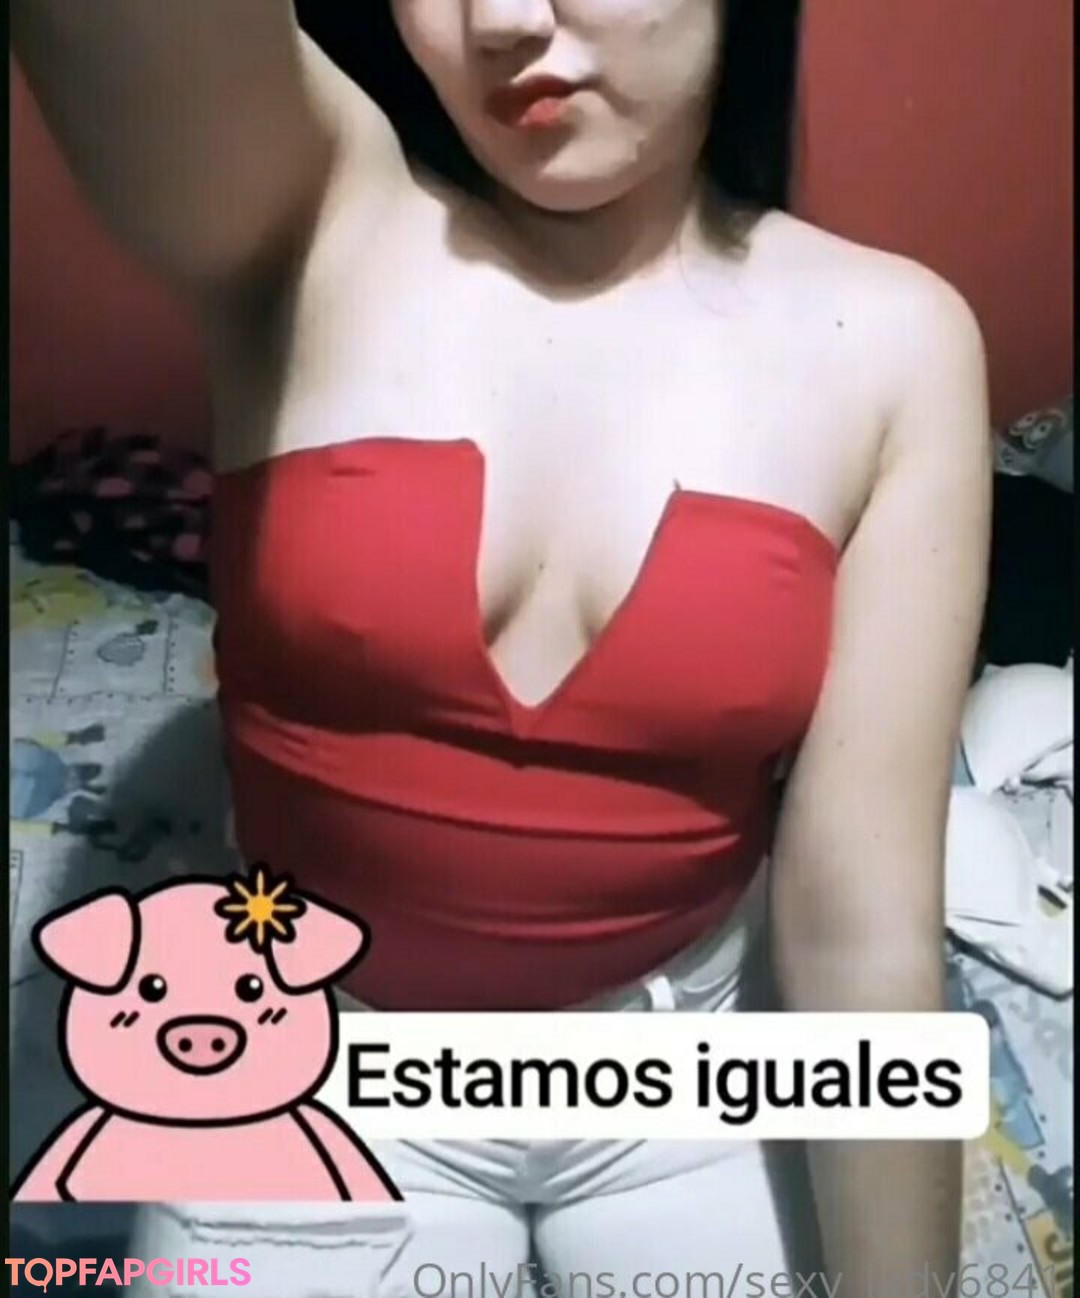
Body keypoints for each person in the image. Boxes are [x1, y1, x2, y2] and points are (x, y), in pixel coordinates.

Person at [12, 2, 992, 1294]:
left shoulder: (896, 338)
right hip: (304, 1049)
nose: (506, 20)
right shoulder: (308, 219)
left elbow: (861, 915)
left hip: (682, 1055)